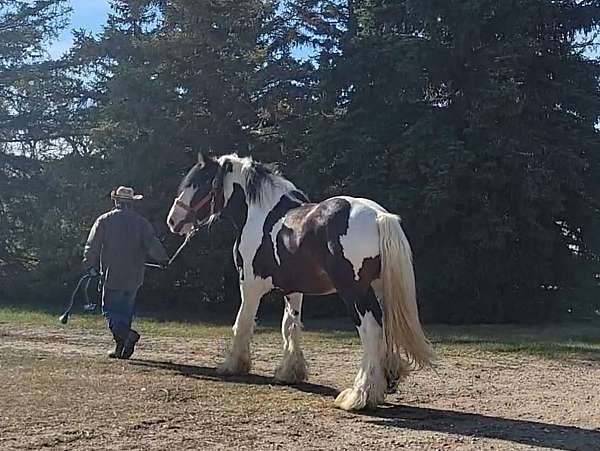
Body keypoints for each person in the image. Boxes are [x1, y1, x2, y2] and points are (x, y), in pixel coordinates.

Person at [83, 186, 169, 359]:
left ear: (115, 201)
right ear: (132, 203)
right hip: (134, 276)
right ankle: (120, 349)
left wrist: (89, 264)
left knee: (110, 311)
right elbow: (152, 244)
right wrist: (163, 259)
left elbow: (92, 245)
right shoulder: (142, 222)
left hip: (111, 274)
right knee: (125, 312)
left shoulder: (104, 220)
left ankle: (128, 336)